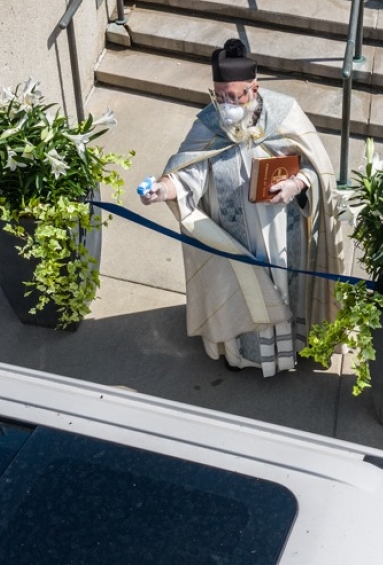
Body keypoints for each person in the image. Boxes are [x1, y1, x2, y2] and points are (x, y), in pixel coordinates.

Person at [140, 38, 345, 376]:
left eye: (234, 95)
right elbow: (189, 172)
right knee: (241, 289)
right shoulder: (209, 123)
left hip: (283, 234)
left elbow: (317, 167)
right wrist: (163, 190)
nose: (226, 104)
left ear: (254, 88)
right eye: (219, 95)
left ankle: (289, 350)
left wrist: (297, 184)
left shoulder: (286, 114)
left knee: (282, 287)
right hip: (231, 235)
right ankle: (242, 355)